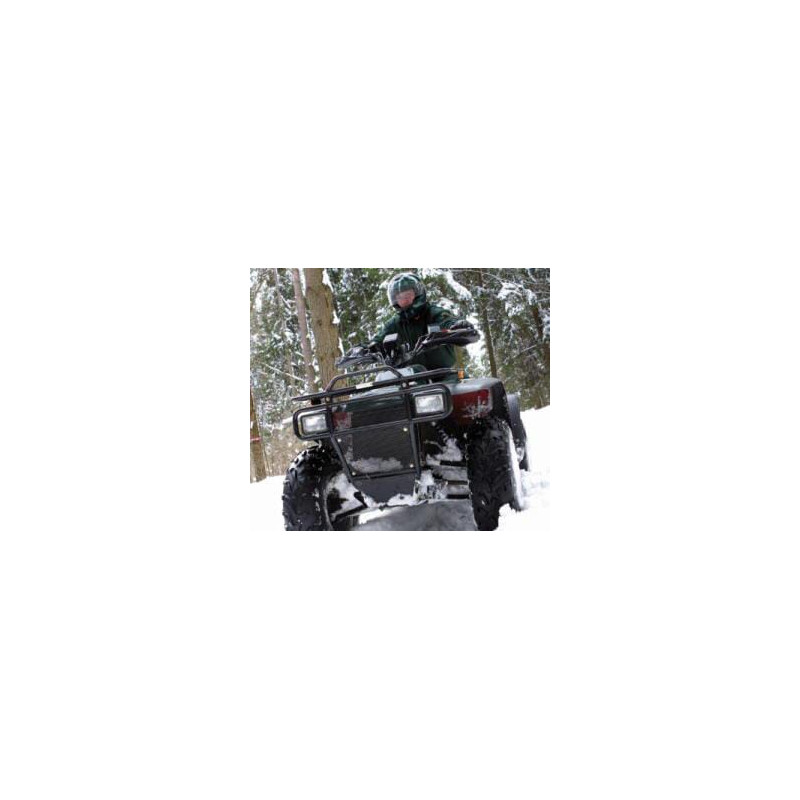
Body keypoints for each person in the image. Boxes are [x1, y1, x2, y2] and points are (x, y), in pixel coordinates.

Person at [359, 272, 478, 372]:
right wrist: (363, 350)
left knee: (468, 390)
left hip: (443, 376)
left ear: (418, 294)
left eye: (408, 295)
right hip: (408, 380)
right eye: (400, 298)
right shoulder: (394, 324)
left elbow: (448, 321)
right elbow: (377, 340)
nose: (404, 300)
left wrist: (458, 326)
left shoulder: (435, 314)